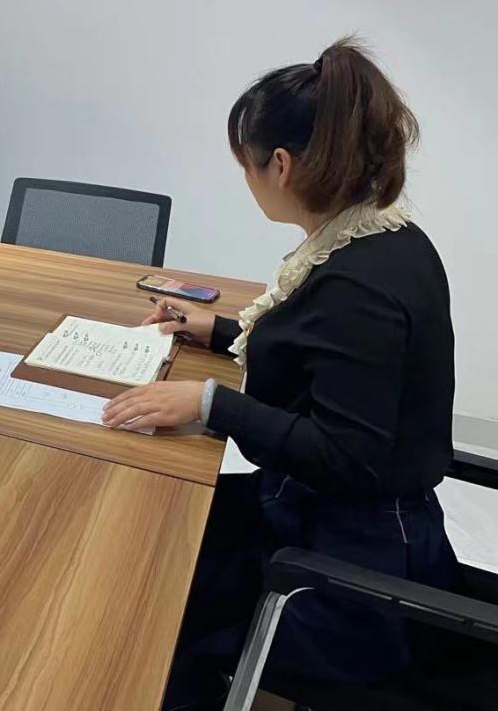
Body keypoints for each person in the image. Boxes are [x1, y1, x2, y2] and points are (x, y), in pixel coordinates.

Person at [101, 38, 457, 707]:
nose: (248, 178)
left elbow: (348, 455)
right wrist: (219, 331)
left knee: (150, 598)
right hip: (329, 517)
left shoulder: (358, 285)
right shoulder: (381, 238)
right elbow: (325, 358)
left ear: (282, 165)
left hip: (347, 573)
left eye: (248, 163)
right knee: (150, 535)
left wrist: (210, 404)